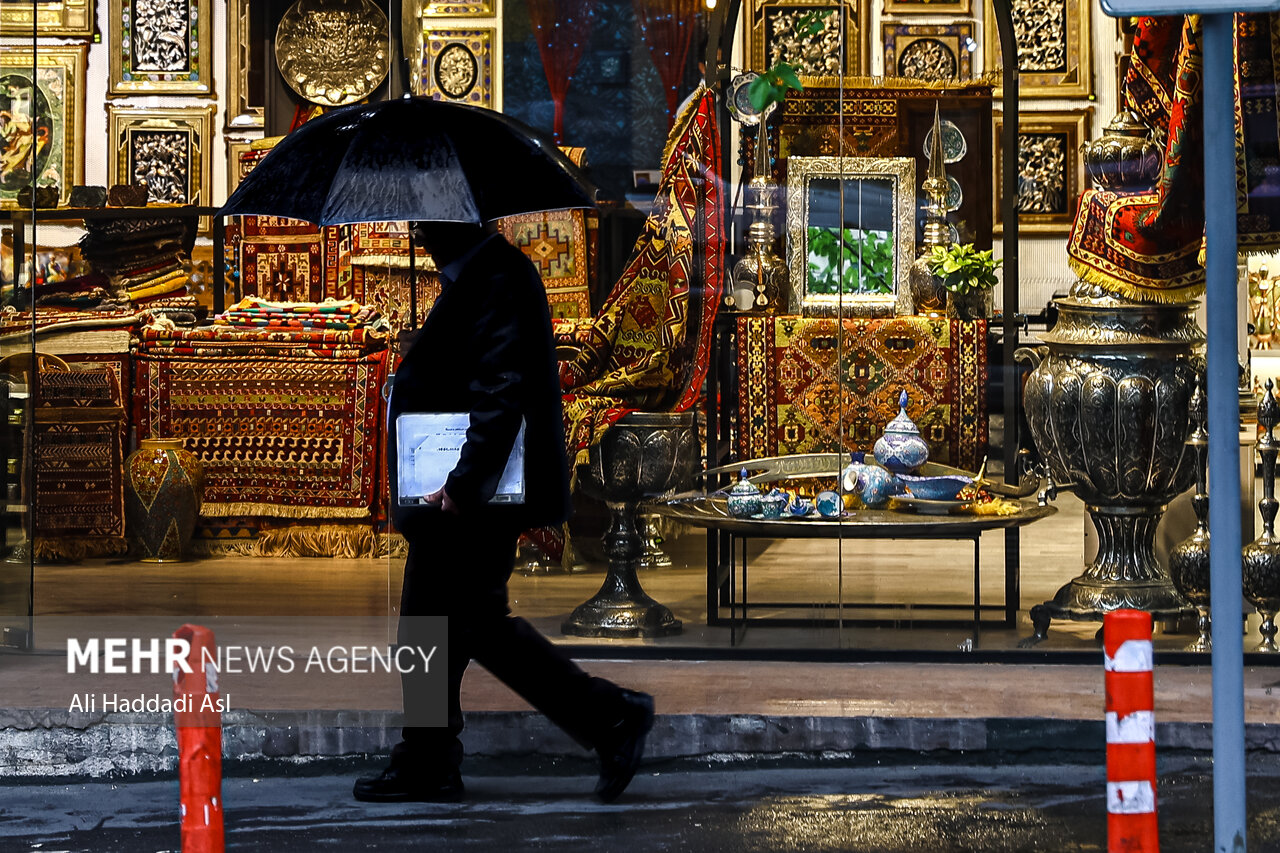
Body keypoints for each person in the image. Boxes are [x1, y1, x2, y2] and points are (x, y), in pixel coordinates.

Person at [354, 221, 654, 804]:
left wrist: (464, 486)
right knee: (438, 624)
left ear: (455, 220)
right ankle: (431, 755)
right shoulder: (481, 276)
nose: (417, 233)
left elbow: (501, 390)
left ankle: (608, 715)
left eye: (426, 221)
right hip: (463, 495)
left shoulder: (497, 278)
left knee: (466, 624)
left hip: (472, 499)